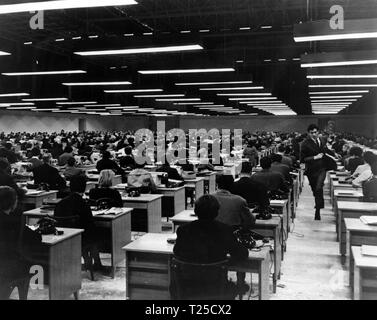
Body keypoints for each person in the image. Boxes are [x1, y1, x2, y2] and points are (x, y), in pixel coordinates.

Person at [173, 194, 248, 299]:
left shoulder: (183, 229)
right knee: (240, 288)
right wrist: (227, 262)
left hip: (188, 288)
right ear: (217, 212)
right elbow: (242, 254)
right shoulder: (225, 230)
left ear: (195, 211)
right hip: (216, 288)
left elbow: (176, 252)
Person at [54, 175, 104, 271]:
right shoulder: (83, 204)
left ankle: (87, 260)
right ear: (84, 188)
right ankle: (96, 263)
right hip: (82, 237)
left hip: (63, 236)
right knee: (95, 233)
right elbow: (90, 224)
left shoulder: (60, 203)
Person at [0, 186, 42, 300]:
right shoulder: (15, 222)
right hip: (9, 268)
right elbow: (36, 238)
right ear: (12, 203)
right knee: (31, 264)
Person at [300, 124, 331, 220]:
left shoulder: (322, 140)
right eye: (311, 132)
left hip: (322, 168)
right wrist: (315, 157)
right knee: (315, 190)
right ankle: (318, 203)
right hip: (311, 170)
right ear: (308, 133)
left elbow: (325, 150)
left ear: (318, 132)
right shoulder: (304, 143)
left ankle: (318, 210)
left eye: (315, 132)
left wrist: (334, 154)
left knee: (318, 187)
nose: (314, 134)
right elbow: (303, 158)